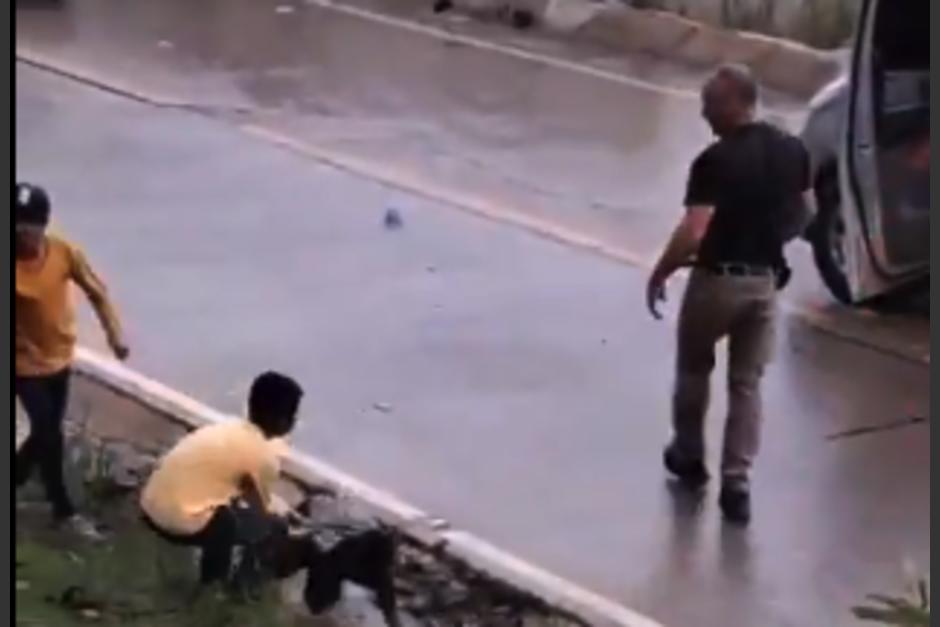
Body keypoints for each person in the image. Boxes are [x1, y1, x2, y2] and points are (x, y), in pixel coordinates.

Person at [646, 65, 811, 525]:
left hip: (716, 281)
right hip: (764, 282)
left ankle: (689, 455)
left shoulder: (714, 161)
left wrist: (662, 270)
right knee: (747, 384)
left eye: (710, 103)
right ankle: (737, 483)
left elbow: (695, 230)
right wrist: (772, 241)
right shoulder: (792, 150)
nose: (704, 112)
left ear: (736, 103)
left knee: (694, 366)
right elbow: (806, 212)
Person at [16, 182, 130, 539]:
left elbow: (98, 293)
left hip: (60, 358)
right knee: (50, 435)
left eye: (28, 226)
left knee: (44, 433)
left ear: (43, 225)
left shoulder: (64, 252)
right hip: (22, 365)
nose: (20, 233)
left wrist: (115, 336)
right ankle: (64, 512)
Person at [140, 371, 303, 585]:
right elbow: (262, 509)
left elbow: (246, 487)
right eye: (293, 417)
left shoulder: (226, 428)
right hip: (173, 523)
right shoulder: (264, 457)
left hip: (148, 506)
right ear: (282, 421)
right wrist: (285, 515)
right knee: (270, 527)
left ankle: (217, 581)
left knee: (227, 509)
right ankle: (231, 585)